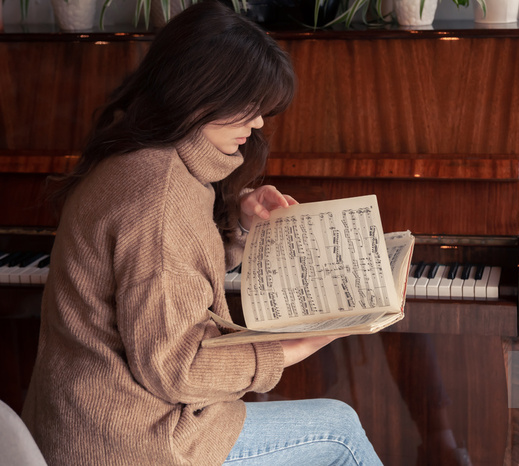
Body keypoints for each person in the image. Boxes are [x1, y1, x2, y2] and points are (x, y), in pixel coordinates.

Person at [20, 2, 382, 465]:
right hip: (131, 445)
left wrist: (241, 225)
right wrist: (291, 348)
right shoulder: (161, 198)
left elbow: (169, 266)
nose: (258, 124)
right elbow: (178, 368)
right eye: (250, 107)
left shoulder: (140, 157)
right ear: (202, 92)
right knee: (340, 430)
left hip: (83, 422)